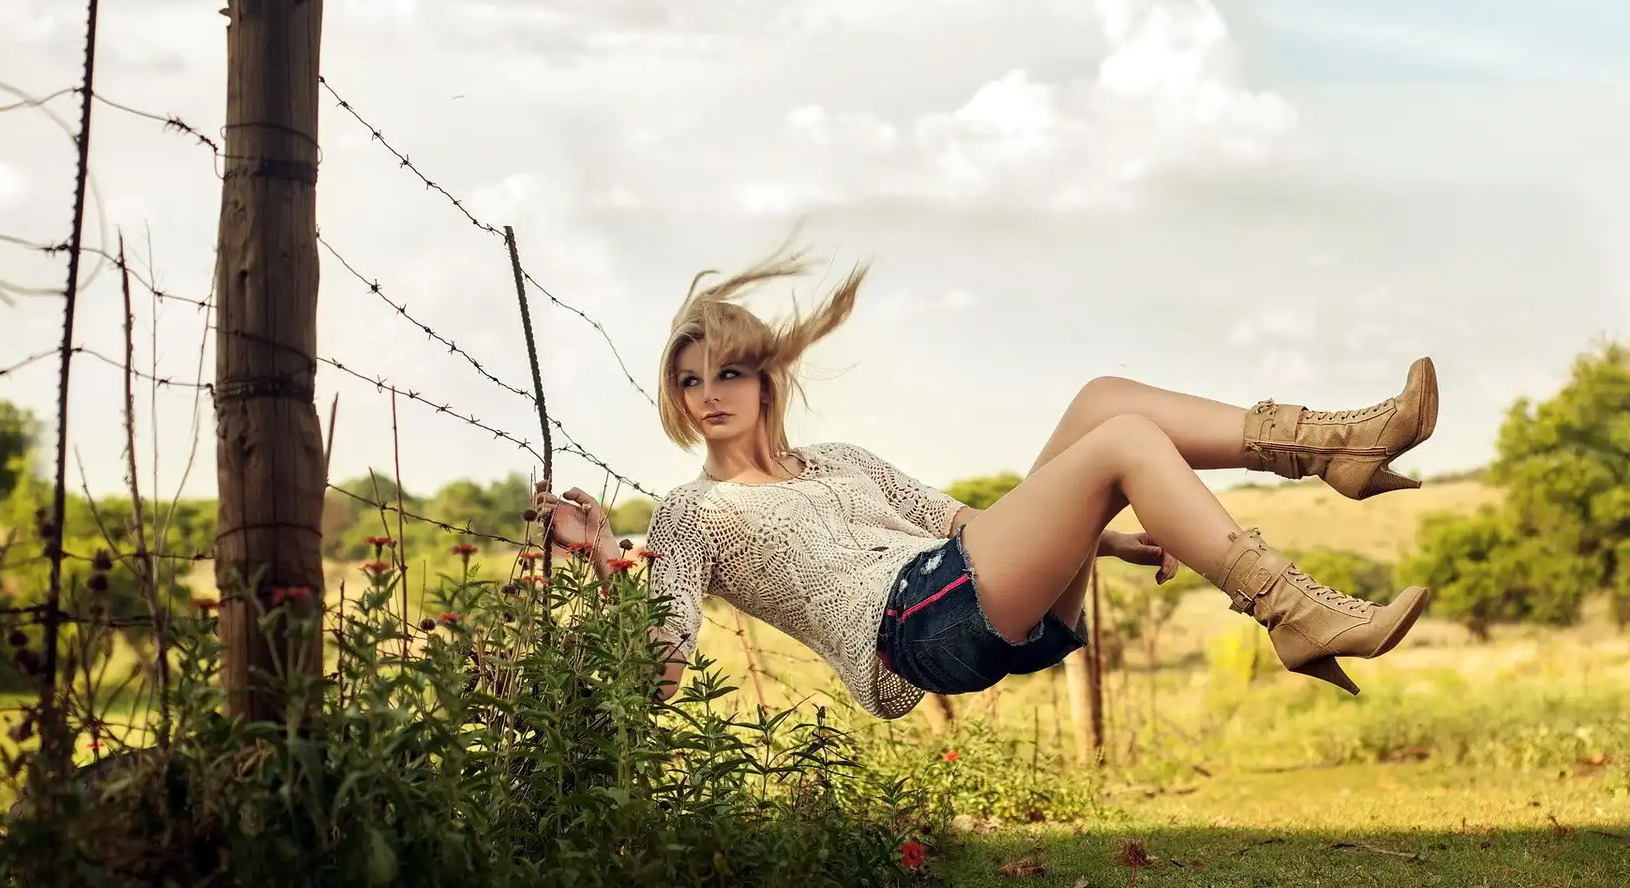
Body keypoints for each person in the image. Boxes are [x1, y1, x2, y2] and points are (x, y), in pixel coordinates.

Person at [533, 243, 1436, 720]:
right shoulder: (690, 509)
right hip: (915, 629)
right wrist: (609, 560)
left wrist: (1105, 535)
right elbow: (672, 636)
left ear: (765, 378)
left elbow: (960, 516)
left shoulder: (840, 460)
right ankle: (1292, 609)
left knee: (1103, 400)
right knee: (1120, 436)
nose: (707, 395)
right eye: (689, 381)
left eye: (727, 373)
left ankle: (1333, 446)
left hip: (984, 597)